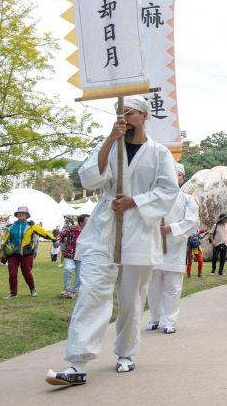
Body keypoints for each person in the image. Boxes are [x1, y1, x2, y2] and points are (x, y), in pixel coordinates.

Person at [45, 96, 178, 386]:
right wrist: (109, 139)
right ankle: (78, 362)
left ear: (144, 115)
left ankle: (126, 353)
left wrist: (135, 201)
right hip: (103, 231)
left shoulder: (159, 153)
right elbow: (90, 179)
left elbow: (169, 190)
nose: (124, 119)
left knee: (131, 298)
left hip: (140, 230)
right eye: (120, 113)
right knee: (91, 292)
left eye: (129, 113)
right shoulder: (109, 145)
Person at [147, 163, 200, 334]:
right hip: (154, 248)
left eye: (176, 174)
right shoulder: (154, 198)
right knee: (154, 287)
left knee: (172, 287)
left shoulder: (187, 200)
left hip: (174, 248)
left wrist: (171, 228)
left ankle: (169, 320)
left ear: (181, 178)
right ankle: (154, 318)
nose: (172, 177)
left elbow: (192, 222)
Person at [1, 206, 55, 298]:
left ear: (27, 215)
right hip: (13, 254)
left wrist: (54, 239)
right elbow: (5, 240)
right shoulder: (11, 227)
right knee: (12, 273)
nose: (21, 214)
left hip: (27, 253)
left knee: (26, 272)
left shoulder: (32, 226)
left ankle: (32, 288)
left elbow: (43, 233)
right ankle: (13, 293)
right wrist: (2, 254)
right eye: (19, 213)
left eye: (23, 213)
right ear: (16, 215)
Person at [60, 214, 89, 299]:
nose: (89, 222)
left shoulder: (90, 231)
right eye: (87, 220)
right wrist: (58, 241)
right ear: (81, 222)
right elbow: (62, 234)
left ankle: (73, 291)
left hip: (82, 256)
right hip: (70, 254)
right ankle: (66, 288)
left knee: (79, 275)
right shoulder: (73, 229)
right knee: (67, 269)